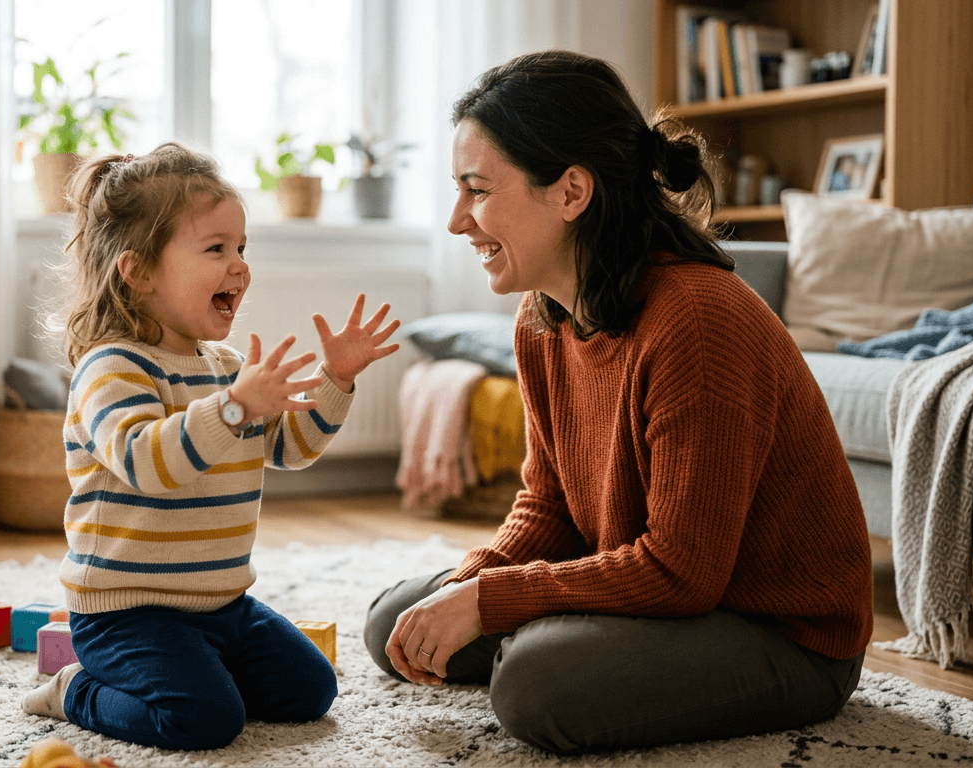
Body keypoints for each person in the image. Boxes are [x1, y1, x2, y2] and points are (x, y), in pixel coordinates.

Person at [364, 50, 873, 753]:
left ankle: (560, 644)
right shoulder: (542, 319)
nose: (458, 221)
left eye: (477, 191)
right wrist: (473, 583)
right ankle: (557, 636)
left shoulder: (698, 321)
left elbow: (682, 572)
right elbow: (547, 507)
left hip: (782, 635)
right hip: (672, 604)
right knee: (396, 620)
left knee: (535, 686)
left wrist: (492, 602)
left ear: (571, 192)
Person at [22, 142, 400, 750]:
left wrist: (337, 381)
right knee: (203, 721)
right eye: (216, 249)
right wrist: (232, 407)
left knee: (311, 691)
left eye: (242, 248)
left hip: (222, 603)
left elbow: (290, 449)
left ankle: (198, 672)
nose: (241, 266)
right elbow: (149, 462)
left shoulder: (226, 367)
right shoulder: (110, 367)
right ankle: (75, 690)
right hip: (127, 614)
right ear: (139, 271)